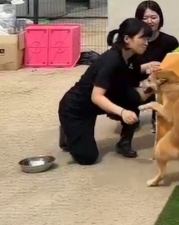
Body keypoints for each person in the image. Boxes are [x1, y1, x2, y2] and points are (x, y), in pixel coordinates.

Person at [58, 18, 153, 165]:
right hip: (75, 109)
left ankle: (124, 142)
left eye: (148, 38)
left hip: (94, 106)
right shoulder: (111, 60)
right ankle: (67, 132)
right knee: (88, 157)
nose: (146, 42)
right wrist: (122, 112)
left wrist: (150, 67)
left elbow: (132, 72)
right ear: (127, 39)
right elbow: (96, 97)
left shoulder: (130, 56)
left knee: (134, 97)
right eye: (142, 38)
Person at [134, 0, 179, 133]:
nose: (150, 21)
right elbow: (124, 68)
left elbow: (175, 67)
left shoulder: (170, 41)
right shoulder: (133, 42)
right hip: (137, 83)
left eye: (154, 17)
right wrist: (144, 68)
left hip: (160, 84)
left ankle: (159, 117)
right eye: (145, 18)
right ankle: (130, 117)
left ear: (160, 19)